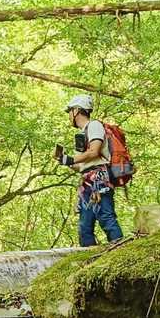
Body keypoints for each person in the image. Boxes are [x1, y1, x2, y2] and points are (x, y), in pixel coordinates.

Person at [55, 93, 124, 248]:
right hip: (87, 181)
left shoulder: (94, 126)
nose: (69, 115)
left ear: (76, 110)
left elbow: (94, 151)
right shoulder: (83, 133)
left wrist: (71, 159)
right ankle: (89, 257)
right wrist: (64, 160)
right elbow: (81, 166)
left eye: (70, 111)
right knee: (84, 226)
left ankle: (121, 250)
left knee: (105, 216)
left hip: (99, 178)